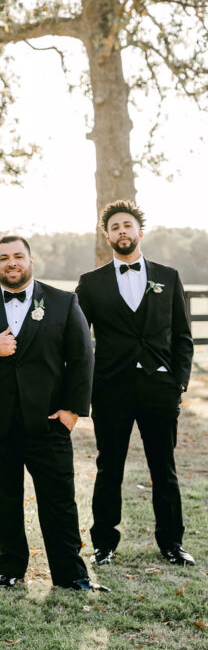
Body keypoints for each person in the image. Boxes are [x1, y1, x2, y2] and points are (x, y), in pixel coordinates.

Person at [0, 235, 105, 591]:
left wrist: (72, 411)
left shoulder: (63, 301)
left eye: (18, 256)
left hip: (48, 423)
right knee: (1, 501)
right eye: (4, 258)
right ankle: (10, 569)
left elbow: (82, 358)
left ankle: (71, 574)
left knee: (59, 501)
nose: (11, 263)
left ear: (31, 261)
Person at [76, 200, 195, 567]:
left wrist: (178, 382)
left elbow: (183, 336)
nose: (122, 231)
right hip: (111, 390)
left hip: (160, 389)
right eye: (115, 227)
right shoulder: (91, 284)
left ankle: (172, 545)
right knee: (109, 467)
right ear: (107, 236)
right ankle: (104, 544)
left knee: (164, 468)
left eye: (127, 225)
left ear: (140, 232)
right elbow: (78, 343)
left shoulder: (169, 277)